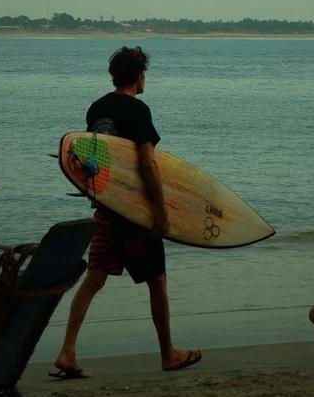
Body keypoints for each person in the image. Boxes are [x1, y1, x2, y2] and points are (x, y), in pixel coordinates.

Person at [51, 46, 202, 380]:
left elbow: (91, 163)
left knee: (93, 279)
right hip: (134, 214)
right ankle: (168, 355)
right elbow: (147, 163)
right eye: (144, 73)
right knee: (157, 281)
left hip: (106, 211)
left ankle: (67, 351)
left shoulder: (97, 109)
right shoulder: (137, 110)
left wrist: (99, 204)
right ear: (139, 76)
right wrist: (160, 212)